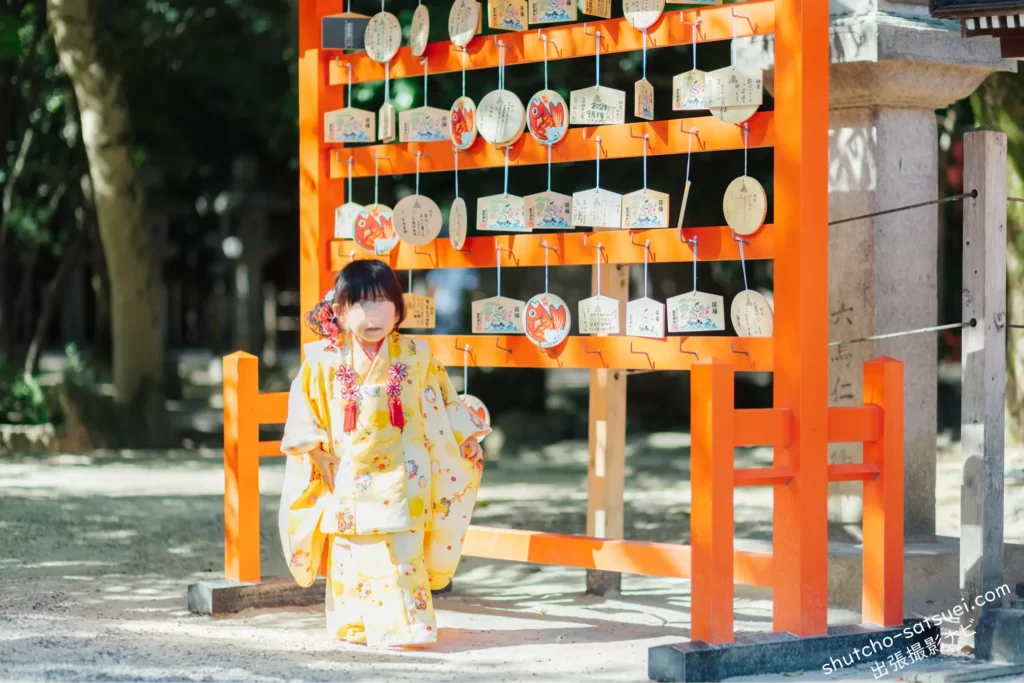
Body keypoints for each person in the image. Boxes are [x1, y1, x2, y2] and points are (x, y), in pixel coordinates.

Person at [278, 259, 490, 647]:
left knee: (402, 547)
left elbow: (443, 399)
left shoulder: (416, 355)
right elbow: (303, 405)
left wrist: (464, 437)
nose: (371, 315)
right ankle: (353, 624)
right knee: (351, 547)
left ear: (398, 309)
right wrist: (315, 453)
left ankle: (409, 626)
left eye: (380, 303)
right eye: (358, 305)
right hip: (347, 469)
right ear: (339, 313)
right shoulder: (323, 358)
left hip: (405, 472)